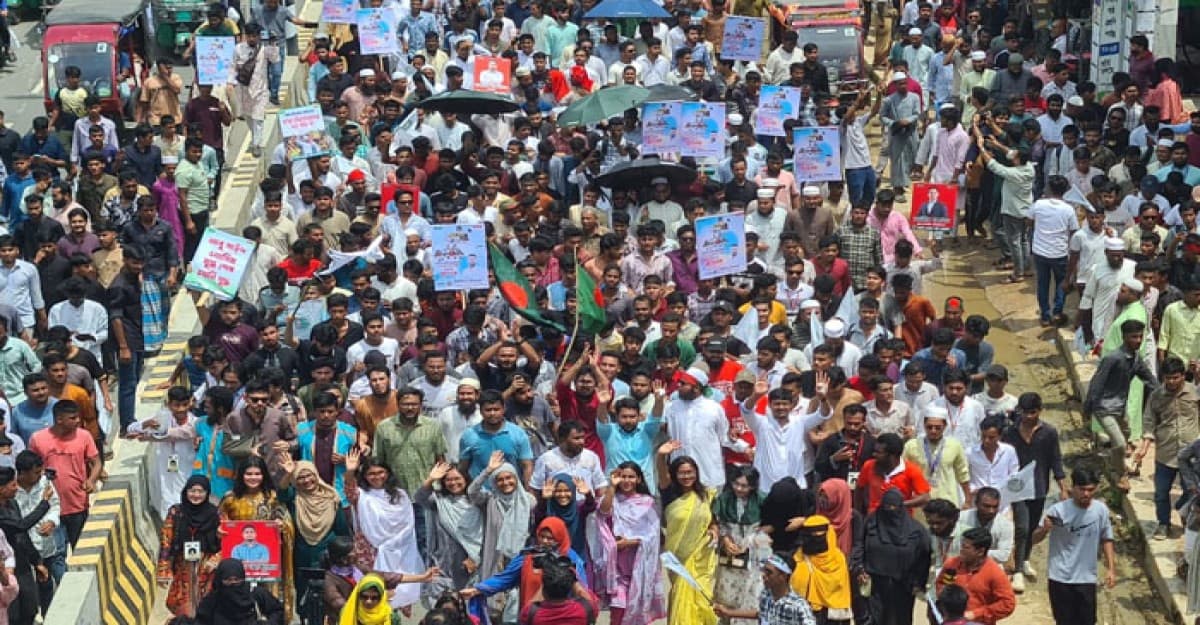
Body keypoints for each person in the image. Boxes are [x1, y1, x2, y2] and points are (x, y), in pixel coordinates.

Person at [341, 452, 429, 609]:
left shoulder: (400, 495)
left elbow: (408, 524)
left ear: (388, 473)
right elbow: (349, 490)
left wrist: (391, 544)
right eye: (371, 474)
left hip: (399, 548)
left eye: (380, 472)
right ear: (365, 476)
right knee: (371, 594)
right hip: (369, 549)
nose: (376, 477)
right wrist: (350, 472)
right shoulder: (362, 495)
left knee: (398, 592)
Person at [462, 517, 589, 624]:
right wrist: (477, 589)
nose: (545, 541)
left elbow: (582, 591)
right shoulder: (528, 556)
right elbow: (505, 579)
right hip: (533, 617)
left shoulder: (570, 560)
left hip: (564, 617)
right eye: (542, 536)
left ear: (560, 537)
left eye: (550, 538)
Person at [1033, 468, 1117, 625]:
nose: (1086, 494)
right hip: (1060, 577)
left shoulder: (1100, 510)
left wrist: (1111, 569)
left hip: (1086, 578)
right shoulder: (1058, 510)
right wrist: (1044, 529)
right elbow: (1033, 540)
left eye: (1090, 490)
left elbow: (1107, 539)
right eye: (1082, 489)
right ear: (1073, 488)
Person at [217, 458, 296, 620]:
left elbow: (287, 521)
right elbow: (219, 522)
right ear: (241, 475)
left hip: (266, 566)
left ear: (264, 475)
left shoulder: (272, 498)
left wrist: (282, 526)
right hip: (237, 565)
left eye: (257, 474)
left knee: (266, 604)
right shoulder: (230, 498)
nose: (253, 477)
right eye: (249, 474)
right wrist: (219, 530)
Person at [591, 461, 665, 625]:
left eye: (631, 477)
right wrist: (611, 486)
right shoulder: (613, 499)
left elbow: (653, 536)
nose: (626, 480)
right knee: (618, 611)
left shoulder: (647, 502)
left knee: (637, 614)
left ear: (639, 479)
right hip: (616, 568)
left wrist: (629, 542)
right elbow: (603, 511)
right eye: (623, 476)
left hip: (640, 567)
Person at [656, 447, 718, 625]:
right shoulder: (669, 493)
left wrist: (714, 530)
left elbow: (712, 520)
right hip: (678, 556)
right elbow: (661, 472)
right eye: (682, 473)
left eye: (690, 472)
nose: (686, 476)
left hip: (702, 555)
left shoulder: (706, 494)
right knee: (681, 595)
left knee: (702, 596)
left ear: (696, 473)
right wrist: (661, 455)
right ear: (674, 475)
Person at [27, 401, 99, 549]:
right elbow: (30, 468)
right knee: (56, 552)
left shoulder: (84, 436)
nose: (77, 421)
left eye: (77, 417)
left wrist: (91, 480)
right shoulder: (37, 439)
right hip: (49, 506)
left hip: (77, 504)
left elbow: (96, 463)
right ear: (59, 419)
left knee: (80, 548)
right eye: (72, 418)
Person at [860, 488, 931, 625]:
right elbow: (860, 546)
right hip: (876, 585)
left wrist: (918, 583)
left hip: (903, 585)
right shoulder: (871, 524)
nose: (890, 511)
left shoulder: (916, 531)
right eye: (886, 507)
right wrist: (860, 568)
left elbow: (924, 557)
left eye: (894, 507)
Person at [156, 476, 222, 618]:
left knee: (207, 603)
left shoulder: (216, 513)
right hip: (183, 565)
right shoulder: (176, 512)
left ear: (207, 493)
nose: (196, 495)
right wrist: (163, 570)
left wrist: (216, 560)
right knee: (183, 603)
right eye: (192, 491)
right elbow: (166, 540)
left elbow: (226, 540)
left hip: (207, 566)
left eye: (201, 491)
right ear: (186, 491)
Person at [710, 465, 765, 625]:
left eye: (744, 486)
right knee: (727, 593)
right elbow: (716, 522)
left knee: (752, 592)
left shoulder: (762, 500)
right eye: (736, 484)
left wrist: (750, 542)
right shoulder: (723, 499)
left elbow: (769, 526)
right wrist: (725, 539)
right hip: (730, 553)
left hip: (754, 552)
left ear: (753, 486)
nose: (739, 488)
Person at [935, 527, 1016, 625]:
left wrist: (976, 614)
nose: (961, 550)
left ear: (980, 551)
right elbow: (941, 584)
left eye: (966, 548)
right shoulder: (952, 565)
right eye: (962, 546)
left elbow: (1007, 604)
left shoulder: (995, 573)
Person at [713, 553, 818, 625]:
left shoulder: (799, 606)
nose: (763, 575)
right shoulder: (766, 595)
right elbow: (761, 614)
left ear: (783, 576)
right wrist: (728, 612)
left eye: (769, 573)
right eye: (764, 571)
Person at [195, 559, 286, 625]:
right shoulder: (212, 600)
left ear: (242, 578)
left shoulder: (256, 594)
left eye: (236, 580)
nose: (233, 583)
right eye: (228, 580)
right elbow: (201, 621)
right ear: (220, 580)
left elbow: (278, 611)